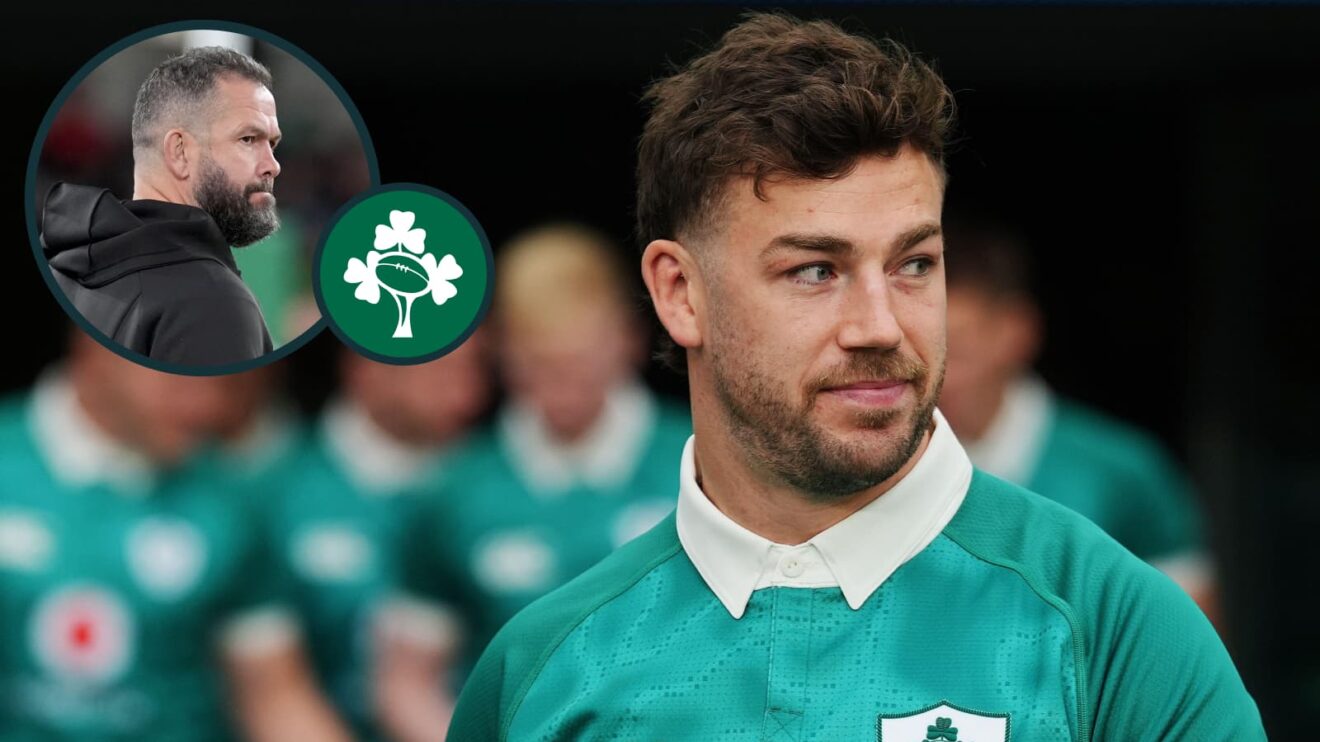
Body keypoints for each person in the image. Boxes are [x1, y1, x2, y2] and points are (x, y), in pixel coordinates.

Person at [447, 13, 1264, 741]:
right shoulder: (543, 669)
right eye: (815, 271)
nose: (880, 325)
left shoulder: (1111, 627)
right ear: (678, 293)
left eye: (914, 263)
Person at [376, 223, 691, 742]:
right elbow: (407, 682)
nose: (562, 389)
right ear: (502, 354)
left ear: (627, 338)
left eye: (579, 363)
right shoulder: (455, 490)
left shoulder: (702, 460)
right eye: (540, 366)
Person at [0, 330, 349, 742]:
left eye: (224, 381)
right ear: (93, 339)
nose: (207, 408)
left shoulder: (231, 500)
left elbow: (273, 693)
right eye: (177, 376)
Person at [938, 219, 1216, 614]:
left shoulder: (1121, 469)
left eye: (957, 351)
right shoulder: (882, 468)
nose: (939, 377)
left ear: (1018, 331)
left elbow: (1191, 647)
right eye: (922, 351)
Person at [260, 338, 490, 741]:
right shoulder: (279, 494)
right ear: (366, 365)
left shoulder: (499, 485)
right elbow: (268, 686)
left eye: (475, 367)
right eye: (439, 368)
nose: (466, 392)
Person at [41, 45, 280, 366]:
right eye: (248, 139)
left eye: (273, 143)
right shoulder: (212, 300)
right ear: (179, 151)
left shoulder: (62, 265)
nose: (272, 165)